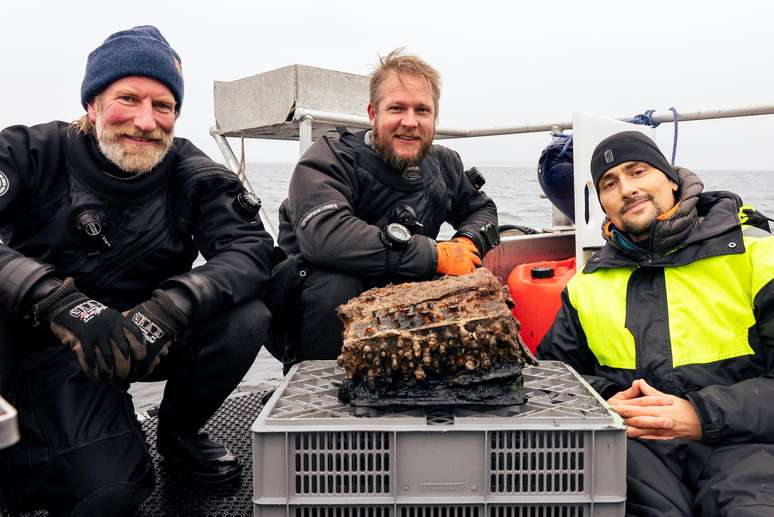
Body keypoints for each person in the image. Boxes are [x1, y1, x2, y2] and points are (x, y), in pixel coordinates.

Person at [0, 26, 274, 515]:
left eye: (163, 105)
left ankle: (179, 432)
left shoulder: (190, 169)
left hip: (127, 344)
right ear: (93, 104)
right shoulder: (29, 151)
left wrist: (172, 305)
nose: (147, 122)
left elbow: (250, 248)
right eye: (128, 98)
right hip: (29, 343)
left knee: (246, 315)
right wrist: (56, 301)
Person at [538, 130, 774, 516]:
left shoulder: (757, 257)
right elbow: (552, 378)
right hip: (637, 453)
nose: (626, 189)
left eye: (638, 171)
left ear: (671, 180)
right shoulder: (586, 286)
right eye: (609, 183)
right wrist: (604, 400)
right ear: (603, 205)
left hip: (749, 447)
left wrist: (701, 415)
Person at [269, 49, 498, 367]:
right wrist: (435, 255)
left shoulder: (443, 164)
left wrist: (467, 243)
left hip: (400, 302)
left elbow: (482, 210)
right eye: (397, 109)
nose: (410, 122)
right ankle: (311, 384)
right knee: (334, 283)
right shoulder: (327, 160)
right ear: (373, 113)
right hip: (314, 308)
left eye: (422, 110)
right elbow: (325, 236)